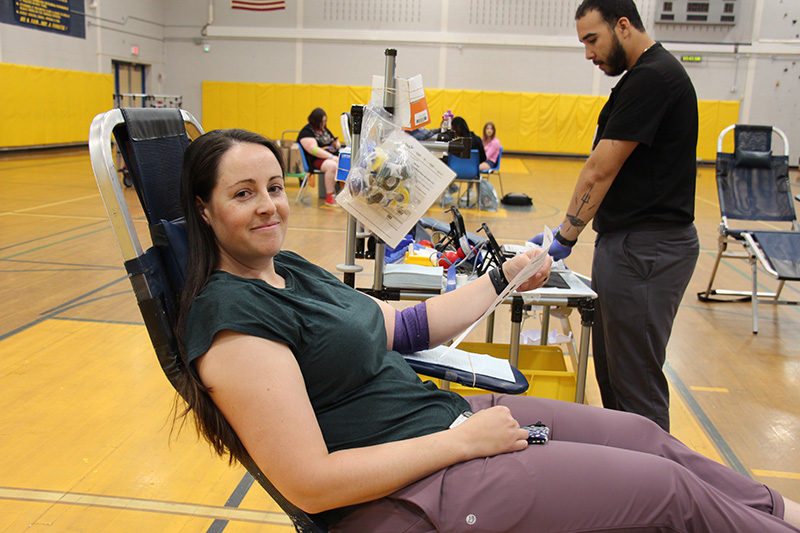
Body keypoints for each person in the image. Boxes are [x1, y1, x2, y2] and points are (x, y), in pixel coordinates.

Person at [173, 127, 800, 532]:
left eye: (276, 188)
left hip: (445, 422)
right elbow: (310, 485)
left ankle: (782, 516)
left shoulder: (288, 271)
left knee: (646, 438)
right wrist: (462, 443)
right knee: (668, 494)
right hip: (422, 486)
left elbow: (403, 323)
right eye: (243, 193)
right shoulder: (232, 324)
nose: (269, 206)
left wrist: (504, 278)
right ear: (204, 209)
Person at [530, 0, 700, 432]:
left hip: (647, 249)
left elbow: (600, 169)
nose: (589, 53)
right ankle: (633, 480)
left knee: (635, 384)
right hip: (629, 245)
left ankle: (661, 492)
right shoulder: (641, 79)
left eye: (593, 39)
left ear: (623, 26)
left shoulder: (653, 79)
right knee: (613, 376)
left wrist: (564, 239)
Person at [297, 107, 341, 207]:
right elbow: (314, 150)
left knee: (343, 163)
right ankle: (329, 197)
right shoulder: (306, 132)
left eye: (325, 121)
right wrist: (331, 157)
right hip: (315, 160)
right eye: (322, 122)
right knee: (333, 165)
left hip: (329, 156)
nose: (323, 124)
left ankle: (342, 194)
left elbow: (334, 141)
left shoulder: (324, 130)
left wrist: (336, 143)